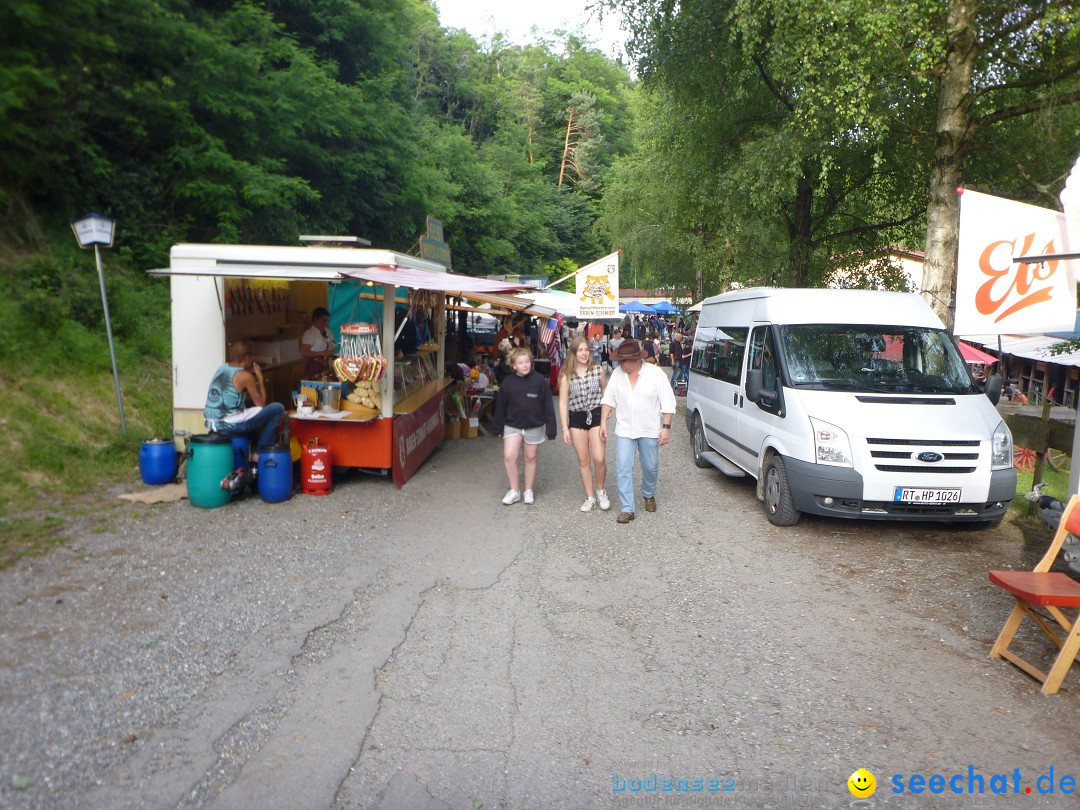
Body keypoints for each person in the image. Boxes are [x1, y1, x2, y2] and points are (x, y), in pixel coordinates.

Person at [600, 339, 678, 524]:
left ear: (635, 360)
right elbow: (608, 400)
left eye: (623, 361)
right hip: (625, 429)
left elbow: (668, 402)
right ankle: (627, 508)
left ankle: (648, 494)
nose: (619, 364)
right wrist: (603, 422)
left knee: (650, 467)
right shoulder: (618, 375)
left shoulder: (655, 374)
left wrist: (666, 428)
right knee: (623, 468)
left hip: (649, 429)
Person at [491, 347, 557, 505]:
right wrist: (497, 427)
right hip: (512, 425)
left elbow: (548, 405)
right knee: (509, 456)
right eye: (520, 362)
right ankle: (514, 490)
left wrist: (551, 428)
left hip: (534, 425)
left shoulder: (540, 381)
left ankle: (528, 490)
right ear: (514, 365)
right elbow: (501, 406)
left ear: (531, 363)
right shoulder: (507, 383)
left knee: (530, 457)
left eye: (527, 361)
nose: (525, 365)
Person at [204, 341, 285, 462]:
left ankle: (253, 454)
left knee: (250, 419)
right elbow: (261, 404)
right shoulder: (245, 376)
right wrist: (259, 378)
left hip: (211, 422)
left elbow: (231, 395)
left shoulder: (222, 368)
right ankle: (258, 454)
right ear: (247, 357)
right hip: (228, 424)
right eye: (251, 358)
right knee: (277, 409)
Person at [558, 337, 610, 512]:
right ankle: (590, 497)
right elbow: (563, 402)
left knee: (599, 457)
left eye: (586, 349)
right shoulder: (566, 375)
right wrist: (565, 428)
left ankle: (601, 490)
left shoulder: (598, 370)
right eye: (580, 350)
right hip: (577, 418)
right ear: (573, 353)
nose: (584, 353)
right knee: (583, 460)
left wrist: (606, 414)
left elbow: (605, 390)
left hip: (595, 414)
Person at [301, 307, 336, 377]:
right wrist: (323, 353)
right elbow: (304, 352)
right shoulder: (310, 333)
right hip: (315, 363)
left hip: (326, 362)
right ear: (315, 318)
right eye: (322, 320)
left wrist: (332, 346)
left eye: (326, 320)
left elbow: (333, 343)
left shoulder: (328, 331)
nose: (324, 322)